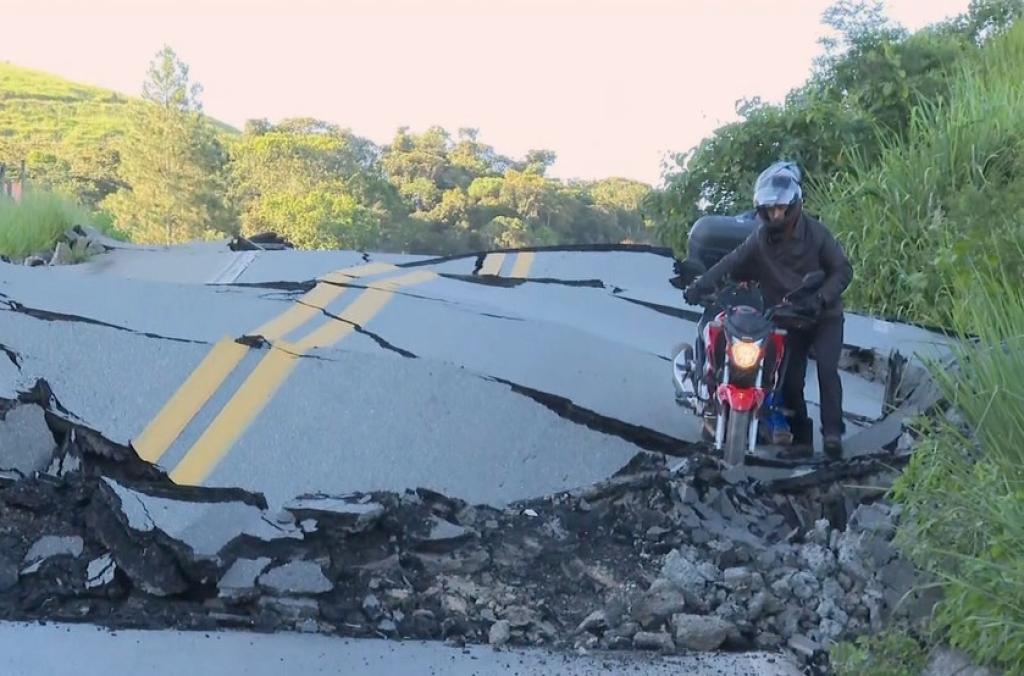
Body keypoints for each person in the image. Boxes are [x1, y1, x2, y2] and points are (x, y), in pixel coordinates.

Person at [683, 161, 853, 458]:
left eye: (780, 209)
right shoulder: (760, 238)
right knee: (789, 379)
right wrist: (699, 285)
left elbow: (842, 270)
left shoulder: (817, 234)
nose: (775, 214)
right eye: (769, 209)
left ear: (793, 206)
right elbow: (732, 261)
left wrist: (821, 298)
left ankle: (833, 435)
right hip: (788, 316)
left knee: (827, 370)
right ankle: (802, 441)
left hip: (824, 315)